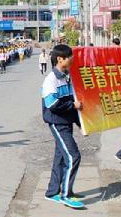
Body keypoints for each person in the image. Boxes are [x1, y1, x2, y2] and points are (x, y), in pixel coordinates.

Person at [41, 44, 84, 208]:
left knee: (60, 158)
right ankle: (66, 194)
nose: (72, 59)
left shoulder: (67, 76)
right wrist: (73, 106)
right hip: (57, 123)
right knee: (73, 156)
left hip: (66, 121)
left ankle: (52, 192)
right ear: (60, 59)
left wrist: (80, 123)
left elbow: (73, 100)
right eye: (69, 56)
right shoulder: (50, 80)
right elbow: (52, 104)